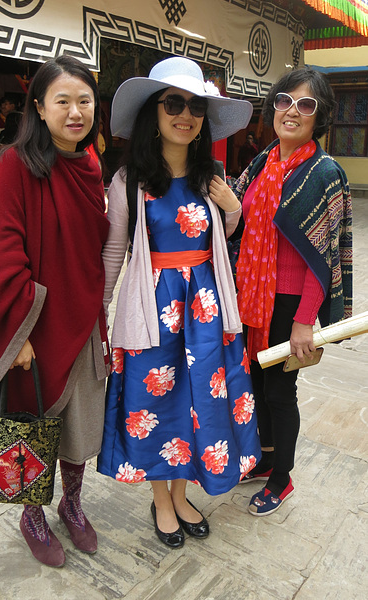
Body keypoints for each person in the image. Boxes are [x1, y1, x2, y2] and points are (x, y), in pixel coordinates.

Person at [97, 56, 261, 548]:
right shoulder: (130, 181)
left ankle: (183, 492)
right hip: (153, 309)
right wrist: (102, 316)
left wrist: (233, 210)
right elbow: (113, 249)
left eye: (195, 106)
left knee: (201, 402)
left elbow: (222, 240)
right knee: (156, 400)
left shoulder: (213, 176)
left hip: (206, 311)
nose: (185, 115)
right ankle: (162, 500)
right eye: (174, 103)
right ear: (155, 111)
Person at [0, 56, 110, 567]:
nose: (76, 112)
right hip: (37, 322)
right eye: (63, 101)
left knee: (79, 420)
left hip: (85, 314)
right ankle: (32, 514)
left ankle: (71, 504)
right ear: (39, 107)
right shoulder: (16, 164)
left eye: (85, 101)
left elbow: (92, 244)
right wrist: (18, 331)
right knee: (30, 416)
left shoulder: (91, 166)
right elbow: (3, 250)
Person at [232, 67, 352, 516]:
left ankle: (282, 479)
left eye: (305, 105)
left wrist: (305, 321)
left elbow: (323, 257)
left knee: (281, 392)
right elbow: (237, 217)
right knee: (257, 383)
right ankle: (265, 458)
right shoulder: (263, 162)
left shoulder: (325, 172)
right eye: (285, 100)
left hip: (288, 303)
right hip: (253, 296)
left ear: (318, 117)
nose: (292, 111)